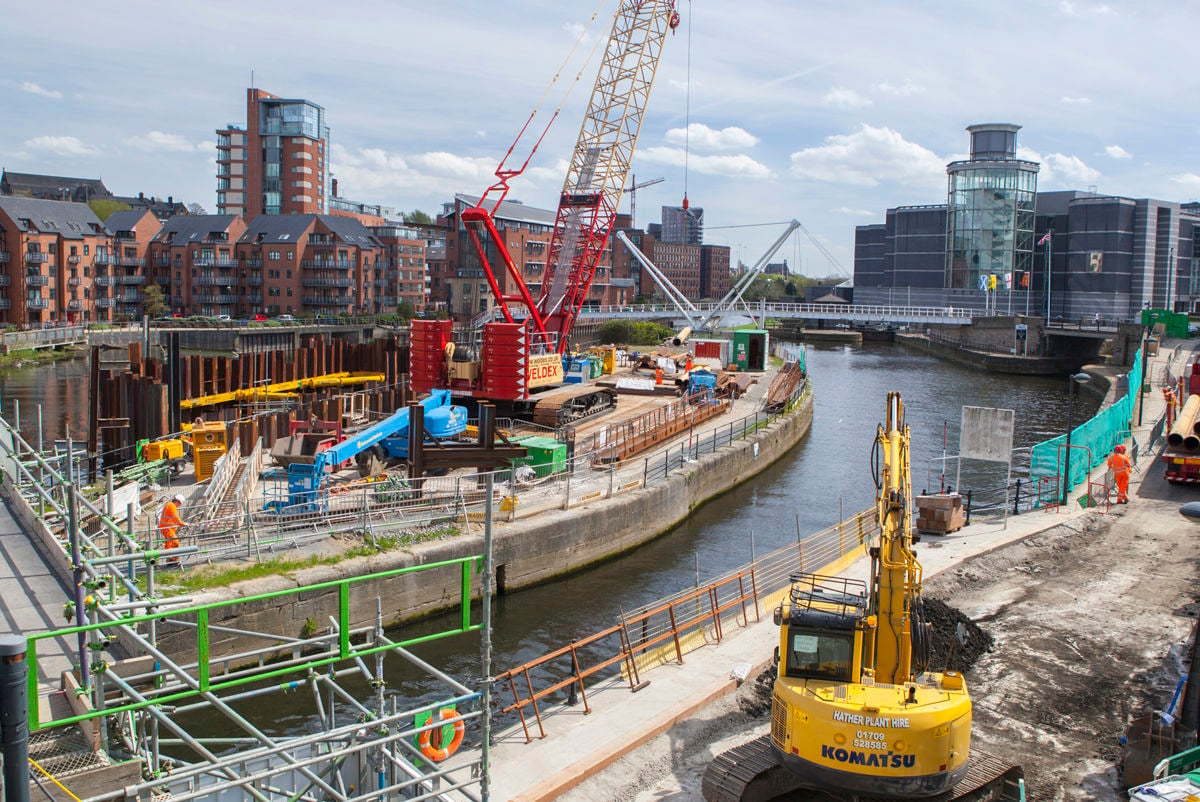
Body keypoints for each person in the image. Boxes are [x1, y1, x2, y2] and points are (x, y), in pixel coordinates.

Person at [158, 493, 187, 563]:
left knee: (170, 544)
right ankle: (172, 560)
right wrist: (183, 524)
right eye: (179, 504)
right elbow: (176, 519)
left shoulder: (169, 505)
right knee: (174, 543)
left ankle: (171, 560)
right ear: (177, 501)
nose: (179, 506)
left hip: (167, 528)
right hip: (167, 529)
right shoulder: (171, 506)